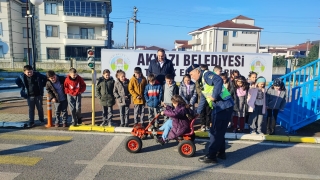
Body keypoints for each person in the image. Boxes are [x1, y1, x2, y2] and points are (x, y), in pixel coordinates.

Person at [187, 64, 234, 163]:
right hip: (223, 107)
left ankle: (211, 156)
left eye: (191, 74)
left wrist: (214, 96)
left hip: (223, 106)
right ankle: (221, 153)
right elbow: (203, 100)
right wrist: (197, 113)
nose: (191, 77)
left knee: (215, 132)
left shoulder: (206, 75)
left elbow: (219, 80)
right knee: (219, 132)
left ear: (197, 71)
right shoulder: (201, 82)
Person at [195, 64, 211, 132]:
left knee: (208, 112)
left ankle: (207, 125)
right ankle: (202, 124)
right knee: (202, 112)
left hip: (209, 99)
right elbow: (198, 89)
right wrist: (202, 94)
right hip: (201, 97)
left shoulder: (209, 78)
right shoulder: (198, 80)